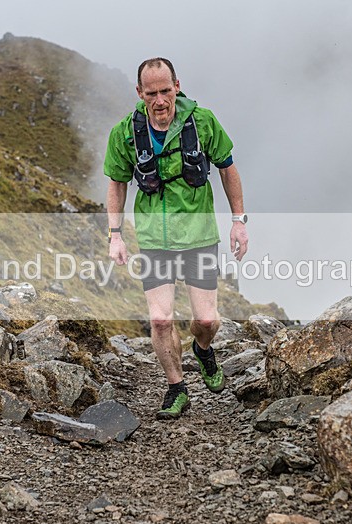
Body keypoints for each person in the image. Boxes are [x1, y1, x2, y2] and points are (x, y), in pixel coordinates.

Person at [104, 57, 249, 419]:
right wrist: (115, 235)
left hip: (199, 235)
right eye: (151, 93)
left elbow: (228, 169)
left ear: (177, 86)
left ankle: (202, 349)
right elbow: (116, 183)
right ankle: (176, 387)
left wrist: (238, 221)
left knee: (207, 322)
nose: (160, 100)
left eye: (165, 91)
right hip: (155, 238)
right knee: (160, 320)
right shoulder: (125, 132)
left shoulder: (202, 122)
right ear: (140, 93)